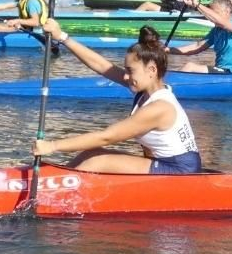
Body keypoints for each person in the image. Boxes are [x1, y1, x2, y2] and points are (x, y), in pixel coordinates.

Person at [33, 21, 203, 174]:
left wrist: (52, 146)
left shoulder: (159, 107)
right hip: (163, 162)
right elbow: (101, 66)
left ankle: (56, 196)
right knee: (91, 153)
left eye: (130, 70)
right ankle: (52, 180)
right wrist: (62, 37)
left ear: (152, 70)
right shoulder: (145, 91)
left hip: (180, 171)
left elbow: (107, 137)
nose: (126, 77)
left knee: (97, 162)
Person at [171, 0, 232, 73]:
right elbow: (197, 46)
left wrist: (197, 5)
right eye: (211, 12)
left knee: (190, 67)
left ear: (227, 11)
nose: (211, 17)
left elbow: (219, 20)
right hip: (221, 71)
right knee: (186, 67)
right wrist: (168, 50)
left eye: (215, 13)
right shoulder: (216, 30)